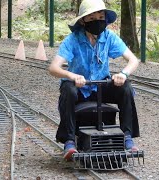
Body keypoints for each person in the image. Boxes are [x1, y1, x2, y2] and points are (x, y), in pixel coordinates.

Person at [48, 0, 140, 161]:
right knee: (68, 90)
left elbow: (133, 60)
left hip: (100, 86)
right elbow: (54, 68)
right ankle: (69, 141)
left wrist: (123, 74)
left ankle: (127, 136)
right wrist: (72, 76)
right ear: (83, 21)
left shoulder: (109, 37)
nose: (97, 20)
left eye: (100, 16)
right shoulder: (73, 39)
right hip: (79, 87)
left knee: (126, 88)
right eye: (91, 18)